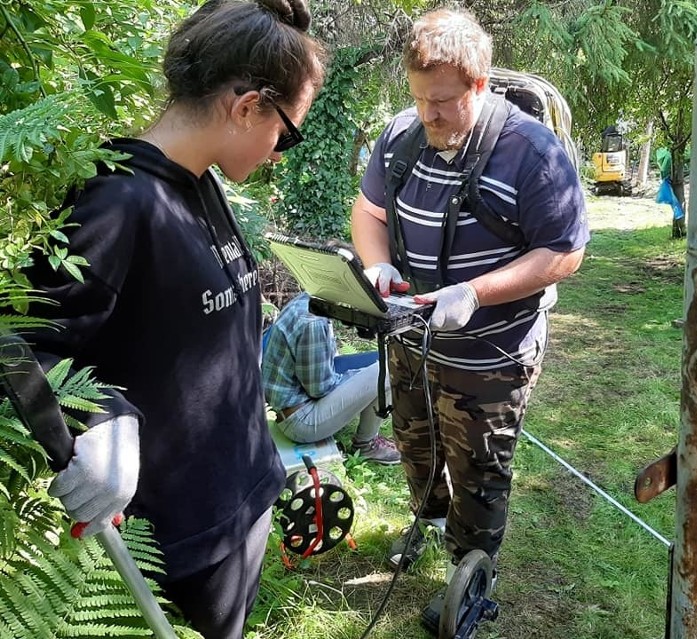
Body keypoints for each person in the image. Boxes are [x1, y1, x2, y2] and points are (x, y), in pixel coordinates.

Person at [22, 1, 325, 637]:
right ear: (246, 108)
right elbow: (21, 342)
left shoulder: (199, 180)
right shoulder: (116, 201)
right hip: (181, 540)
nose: (281, 153)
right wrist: (100, 419)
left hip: (241, 494)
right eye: (288, 133)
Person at [349, 7, 589, 626]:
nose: (430, 115)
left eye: (445, 102)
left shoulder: (531, 152)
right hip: (411, 342)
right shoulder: (403, 133)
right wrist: (375, 266)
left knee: (478, 471)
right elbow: (369, 212)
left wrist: (476, 293)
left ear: (479, 85)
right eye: (421, 98)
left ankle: (471, 569)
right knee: (415, 446)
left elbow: (565, 252)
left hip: (490, 355)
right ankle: (428, 524)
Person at [261, 291, 401, 464]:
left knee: (378, 361)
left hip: (293, 404)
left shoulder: (308, 299)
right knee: (389, 369)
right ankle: (366, 445)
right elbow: (319, 389)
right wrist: (360, 379)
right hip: (301, 421)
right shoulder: (313, 322)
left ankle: (367, 439)